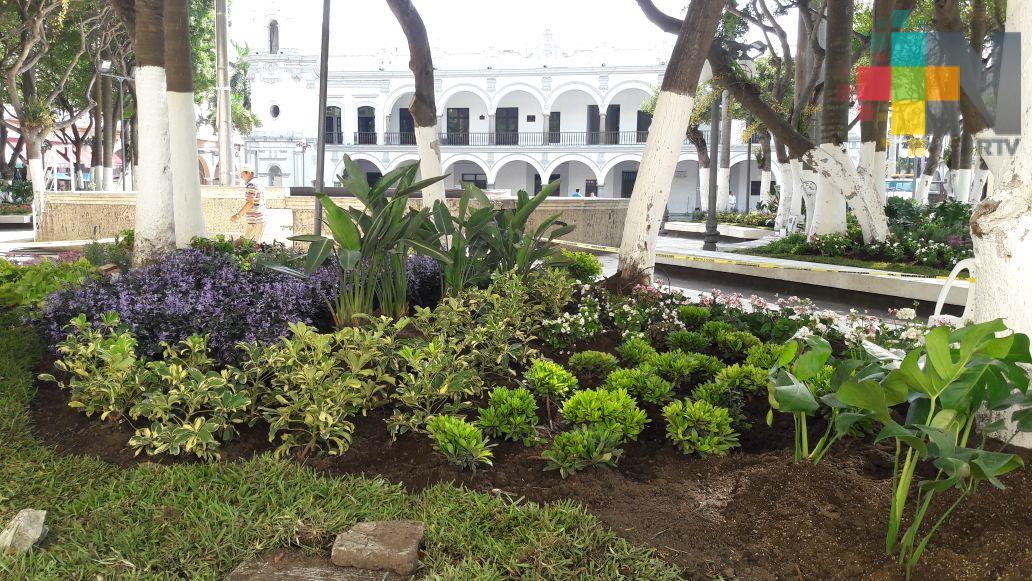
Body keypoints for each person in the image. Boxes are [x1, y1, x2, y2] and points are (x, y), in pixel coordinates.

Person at [230, 165, 265, 242]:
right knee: (254, 246)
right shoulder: (258, 183)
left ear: (248, 173)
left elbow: (250, 203)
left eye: (242, 174)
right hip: (259, 219)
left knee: (248, 246)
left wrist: (237, 215)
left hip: (255, 221)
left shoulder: (251, 185)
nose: (241, 177)